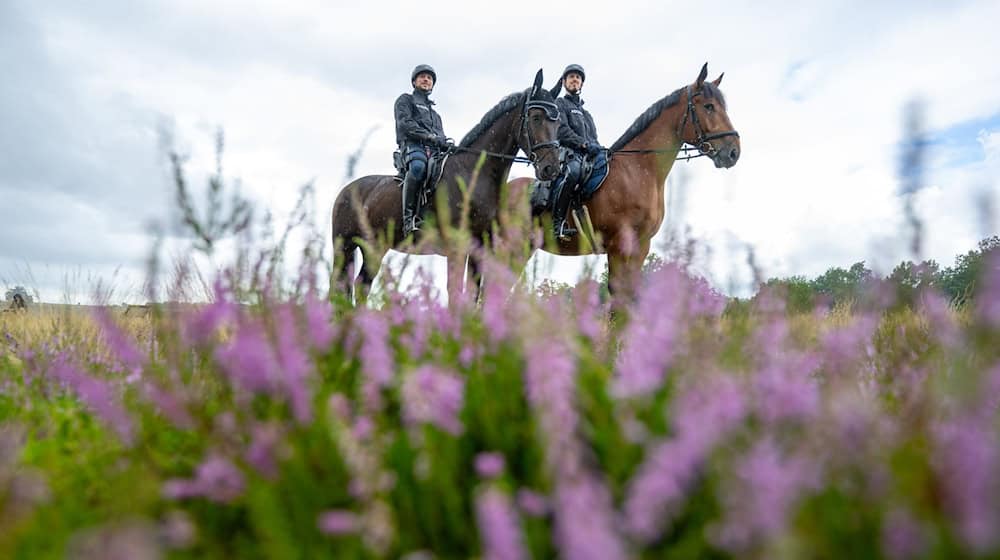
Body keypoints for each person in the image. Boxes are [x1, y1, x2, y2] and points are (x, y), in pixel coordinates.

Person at [394, 64, 453, 237]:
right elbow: (405, 124)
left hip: (435, 152)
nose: (426, 79)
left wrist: (445, 143)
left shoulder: (436, 116)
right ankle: (408, 220)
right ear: (414, 81)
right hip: (413, 147)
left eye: (429, 77)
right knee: (418, 167)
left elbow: (440, 136)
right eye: (422, 76)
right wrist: (427, 136)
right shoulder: (405, 100)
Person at [552, 63, 604, 240]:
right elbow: (562, 131)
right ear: (565, 82)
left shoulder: (586, 114)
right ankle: (558, 224)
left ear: (581, 84)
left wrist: (598, 148)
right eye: (571, 77)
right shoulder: (560, 104)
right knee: (573, 173)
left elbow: (594, 138)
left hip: (588, 156)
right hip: (569, 154)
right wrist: (583, 144)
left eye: (578, 77)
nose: (575, 79)